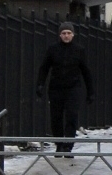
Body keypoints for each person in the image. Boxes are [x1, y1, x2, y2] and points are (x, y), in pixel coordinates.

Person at [36, 22, 96, 156]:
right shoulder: (53, 49)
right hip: (56, 88)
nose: (66, 36)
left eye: (69, 33)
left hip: (73, 88)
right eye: (64, 33)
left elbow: (86, 71)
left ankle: (68, 146)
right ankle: (59, 144)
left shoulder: (79, 50)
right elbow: (44, 68)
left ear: (73, 35)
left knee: (72, 116)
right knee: (56, 117)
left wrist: (90, 91)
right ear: (60, 35)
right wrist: (40, 84)